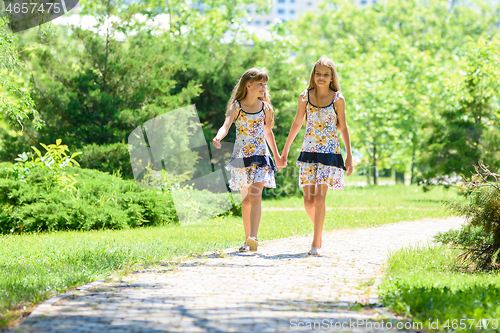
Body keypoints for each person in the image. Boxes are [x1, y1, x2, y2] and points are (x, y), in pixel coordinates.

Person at [281, 56, 354, 255]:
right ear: (313, 75)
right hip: (308, 151)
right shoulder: (304, 96)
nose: (321, 77)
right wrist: (285, 150)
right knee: (308, 202)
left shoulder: (338, 98)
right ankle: (319, 232)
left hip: (329, 153)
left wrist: (349, 156)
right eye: (318, 73)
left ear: (332, 77)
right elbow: (297, 123)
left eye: (326, 74)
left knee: (320, 200)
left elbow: (344, 128)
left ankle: (315, 242)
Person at [213, 68, 284, 252]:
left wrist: (276, 156)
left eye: (265, 84)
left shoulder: (265, 108)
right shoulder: (236, 106)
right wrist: (218, 137)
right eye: (260, 84)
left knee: (256, 195)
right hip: (241, 158)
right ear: (248, 85)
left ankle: (254, 236)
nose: (263, 88)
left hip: (261, 156)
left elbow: (268, 133)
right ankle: (247, 241)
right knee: (245, 201)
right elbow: (226, 125)